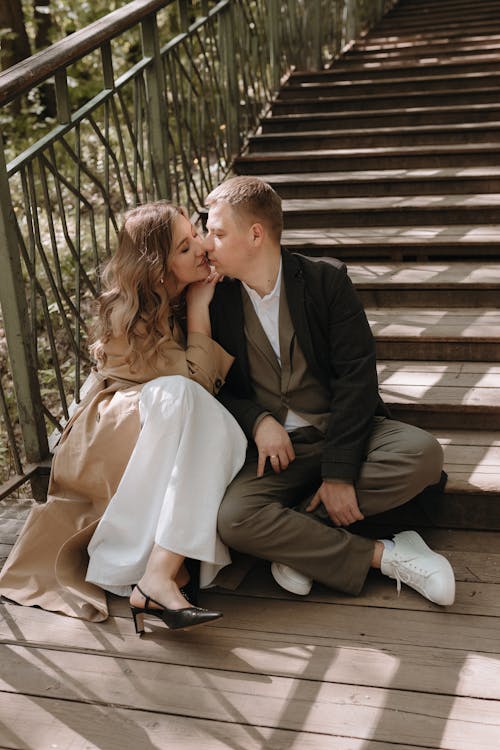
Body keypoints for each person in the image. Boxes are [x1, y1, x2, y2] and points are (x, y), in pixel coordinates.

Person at [204, 175, 455, 607]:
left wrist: (339, 472)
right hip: (278, 452)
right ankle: (389, 557)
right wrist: (257, 419)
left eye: (217, 233)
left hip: (345, 432)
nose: (208, 244)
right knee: (233, 519)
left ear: (255, 234)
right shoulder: (214, 300)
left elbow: (358, 378)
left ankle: (299, 541)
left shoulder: (325, 281)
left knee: (423, 453)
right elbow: (213, 388)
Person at [0, 200, 247, 630]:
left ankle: (159, 572)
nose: (202, 249)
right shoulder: (129, 312)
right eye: (185, 248)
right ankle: (149, 568)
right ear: (157, 269)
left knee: (226, 429)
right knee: (183, 397)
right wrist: (198, 308)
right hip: (109, 428)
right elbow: (195, 385)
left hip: (161, 419)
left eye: (197, 237)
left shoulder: (178, 294)